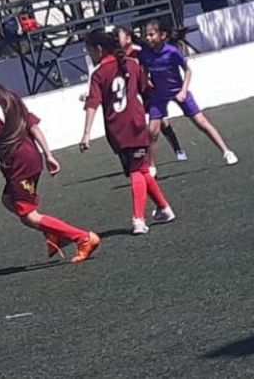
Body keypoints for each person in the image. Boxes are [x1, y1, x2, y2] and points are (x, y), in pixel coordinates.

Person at [0, 59, 100, 263]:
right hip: (32, 156)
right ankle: (53, 234)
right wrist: (48, 154)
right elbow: (33, 126)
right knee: (8, 200)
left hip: (17, 164)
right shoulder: (8, 96)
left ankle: (83, 238)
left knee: (29, 216)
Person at [80, 29, 175, 235]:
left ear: (98, 49)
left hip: (117, 130)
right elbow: (148, 92)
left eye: (89, 51)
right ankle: (164, 208)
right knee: (140, 170)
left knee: (136, 171)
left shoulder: (98, 74)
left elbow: (92, 104)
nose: (90, 55)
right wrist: (158, 114)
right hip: (135, 124)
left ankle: (139, 219)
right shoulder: (132, 65)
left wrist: (86, 133)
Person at [138, 19, 238, 175]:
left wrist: (183, 91)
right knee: (152, 131)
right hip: (159, 94)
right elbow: (144, 71)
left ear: (162, 35)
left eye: (151, 34)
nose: (148, 38)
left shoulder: (172, 52)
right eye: (146, 35)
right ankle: (151, 167)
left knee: (201, 122)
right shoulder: (145, 54)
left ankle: (227, 151)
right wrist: (147, 83)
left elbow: (187, 71)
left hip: (178, 90)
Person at [115, 26, 187, 162]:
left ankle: (177, 149)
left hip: (148, 91)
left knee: (163, 123)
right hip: (135, 94)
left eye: (119, 36)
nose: (117, 40)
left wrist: (149, 80)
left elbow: (148, 67)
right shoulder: (119, 57)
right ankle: (140, 158)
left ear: (129, 39)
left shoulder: (139, 52)